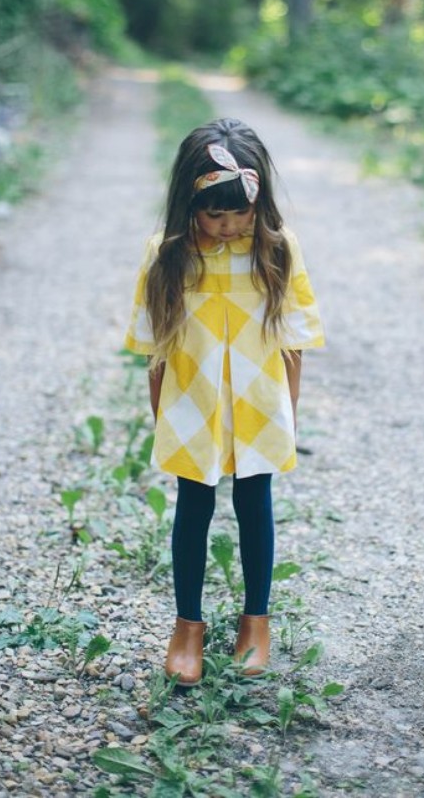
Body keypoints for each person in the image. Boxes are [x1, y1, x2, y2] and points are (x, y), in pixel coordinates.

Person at [124, 117, 324, 686]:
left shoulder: (278, 252)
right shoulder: (167, 257)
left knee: (255, 501)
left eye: (241, 214)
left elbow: (294, 343)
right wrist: (161, 415)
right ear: (188, 200)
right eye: (216, 214)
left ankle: (255, 623)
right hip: (192, 403)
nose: (230, 225)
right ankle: (188, 625)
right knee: (194, 504)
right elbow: (155, 351)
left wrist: (290, 411)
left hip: (260, 404)